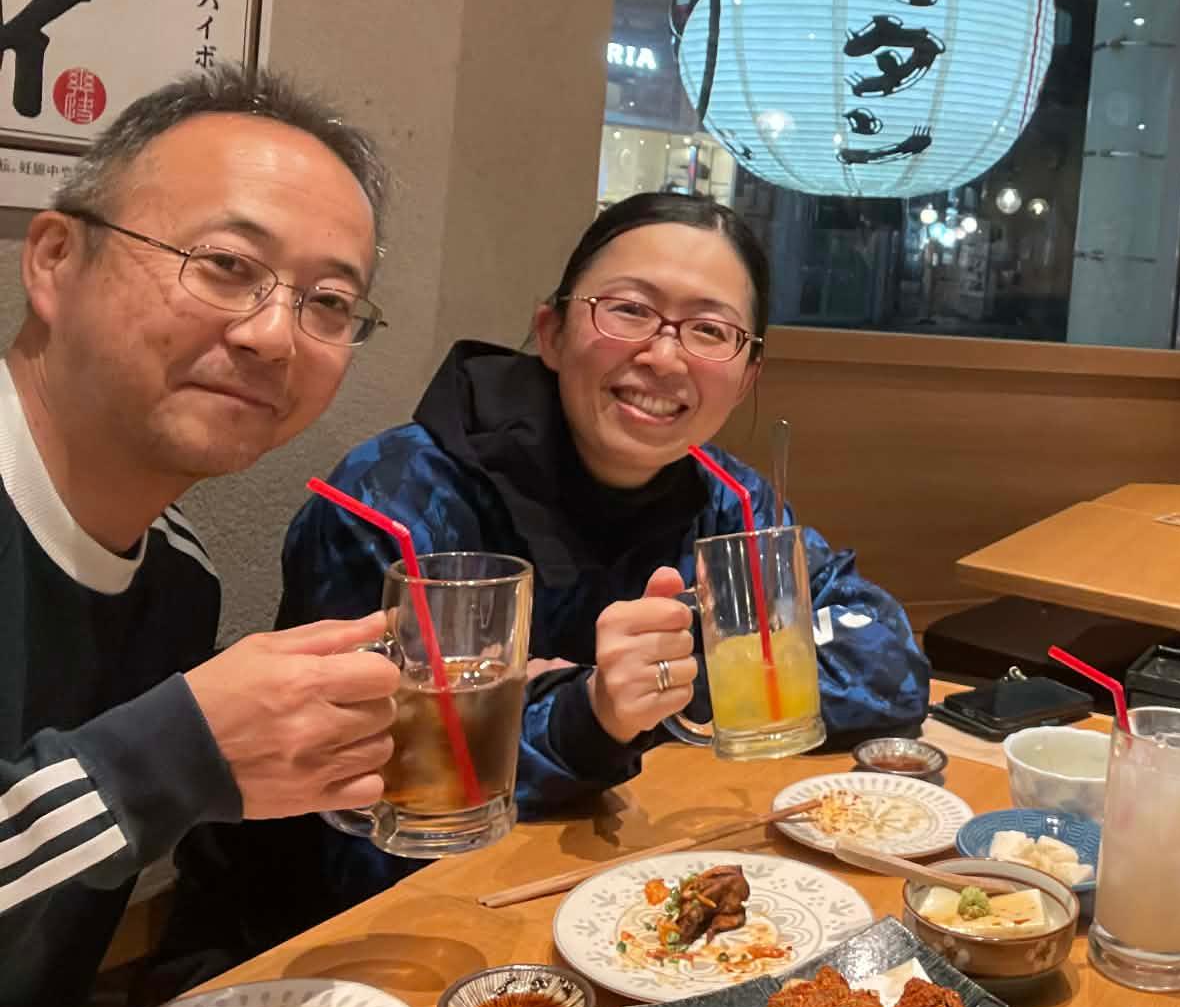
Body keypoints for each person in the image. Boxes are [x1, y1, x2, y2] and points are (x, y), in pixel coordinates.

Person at [175, 191, 931, 956]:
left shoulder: (731, 501)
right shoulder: (397, 502)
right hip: (328, 946)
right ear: (552, 332)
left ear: (746, 375)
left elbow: (889, 664)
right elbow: (383, 813)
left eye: (709, 329)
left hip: (624, 906)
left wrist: (678, 680)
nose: (664, 356)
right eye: (630, 310)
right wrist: (587, 713)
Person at [0, 68, 400, 1007]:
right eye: (225, 264)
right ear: (54, 260)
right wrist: (167, 759)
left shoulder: (179, 581)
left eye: (329, 302)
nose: (274, 336)